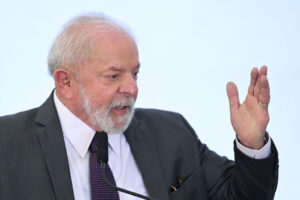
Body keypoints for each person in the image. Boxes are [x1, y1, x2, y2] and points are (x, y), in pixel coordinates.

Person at [0, 13, 278, 200]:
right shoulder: (7, 143)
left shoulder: (171, 132)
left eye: (134, 74)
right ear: (66, 81)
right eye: (113, 76)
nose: (132, 89)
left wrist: (252, 144)